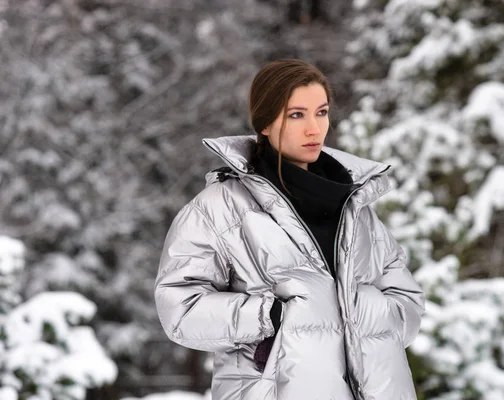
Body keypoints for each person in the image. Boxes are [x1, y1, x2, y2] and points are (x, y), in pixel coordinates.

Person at [154, 59, 425, 400]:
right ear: (265, 122)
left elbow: (408, 301)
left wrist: (365, 313)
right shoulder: (218, 208)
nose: (314, 129)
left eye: (322, 112)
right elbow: (181, 309)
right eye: (297, 115)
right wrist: (271, 316)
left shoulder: (354, 205)